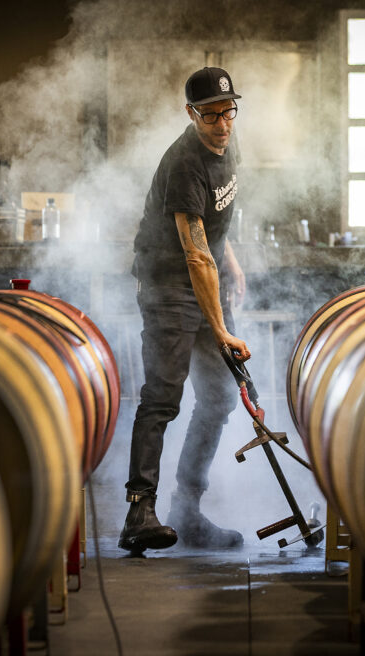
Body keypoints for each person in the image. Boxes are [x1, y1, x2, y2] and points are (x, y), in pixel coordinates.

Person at [120, 66, 251, 554]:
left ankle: (187, 511)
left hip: (206, 278)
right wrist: (220, 330)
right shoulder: (183, 163)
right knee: (161, 399)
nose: (221, 123)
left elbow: (214, 224)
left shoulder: (228, 145)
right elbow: (194, 252)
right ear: (191, 113)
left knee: (219, 398)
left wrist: (230, 261)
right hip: (168, 287)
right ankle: (139, 513)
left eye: (228, 111)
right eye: (210, 114)